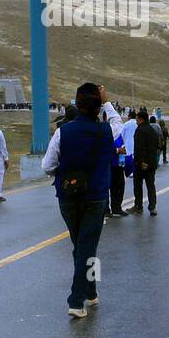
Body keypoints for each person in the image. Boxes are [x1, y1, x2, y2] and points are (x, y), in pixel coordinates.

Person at [42, 83, 117, 318]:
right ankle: (76, 300)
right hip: (95, 197)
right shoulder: (106, 130)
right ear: (98, 106)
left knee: (82, 246)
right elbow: (118, 124)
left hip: (67, 197)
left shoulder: (63, 131)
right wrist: (107, 101)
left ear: (76, 103)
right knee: (87, 246)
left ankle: (91, 291)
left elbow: (47, 166)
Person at [129, 109, 159, 216]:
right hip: (152, 163)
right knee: (151, 185)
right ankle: (152, 207)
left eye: (137, 119)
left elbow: (139, 148)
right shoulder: (152, 130)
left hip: (141, 164)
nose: (136, 121)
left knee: (138, 185)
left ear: (141, 119)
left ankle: (138, 206)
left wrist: (141, 161)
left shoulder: (139, 130)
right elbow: (157, 146)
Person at [108, 108, 129, 216]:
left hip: (119, 163)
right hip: (108, 164)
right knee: (107, 186)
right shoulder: (106, 131)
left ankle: (117, 207)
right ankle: (106, 210)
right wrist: (117, 150)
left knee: (119, 186)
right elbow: (103, 147)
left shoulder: (120, 131)